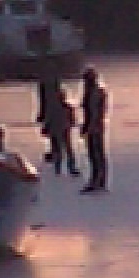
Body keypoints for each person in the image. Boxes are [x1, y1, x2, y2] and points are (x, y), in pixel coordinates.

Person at [36, 73, 77, 175]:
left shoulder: (54, 107)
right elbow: (72, 119)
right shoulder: (67, 107)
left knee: (59, 148)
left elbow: (48, 116)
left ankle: (59, 168)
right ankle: (68, 168)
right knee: (66, 148)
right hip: (63, 128)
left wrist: (45, 126)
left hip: (57, 128)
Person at [78, 65, 109, 193]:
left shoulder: (96, 93)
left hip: (95, 127)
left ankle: (98, 180)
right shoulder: (92, 92)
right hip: (93, 126)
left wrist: (90, 126)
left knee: (96, 154)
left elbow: (95, 112)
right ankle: (98, 180)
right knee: (94, 154)